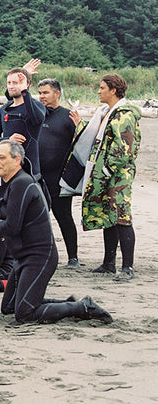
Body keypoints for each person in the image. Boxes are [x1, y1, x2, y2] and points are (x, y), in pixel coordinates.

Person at [0, 140, 112, 324]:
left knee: (24, 315)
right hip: (22, 258)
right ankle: (68, 304)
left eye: (1, 157)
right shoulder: (12, 184)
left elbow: (10, 227)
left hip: (39, 257)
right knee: (9, 308)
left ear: (17, 160)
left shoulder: (22, 183)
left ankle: (82, 307)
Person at [73, 74, 140, 281]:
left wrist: (107, 171)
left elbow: (124, 148)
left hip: (118, 176)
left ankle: (127, 267)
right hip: (106, 173)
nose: (99, 91)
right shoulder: (107, 112)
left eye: (102, 88)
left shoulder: (123, 115)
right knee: (108, 217)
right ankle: (108, 263)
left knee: (121, 217)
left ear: (113, 90)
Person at [37, 78, 80, 268]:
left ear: (57, 93)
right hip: (37, 176)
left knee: (64, 216)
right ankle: (41, 255)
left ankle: (73, 257)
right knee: (38, 218)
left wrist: (79, 127)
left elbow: (81, 145)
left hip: (59, 177)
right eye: (39, 92)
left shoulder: (68, 116)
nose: (41, 96)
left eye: (45, 92)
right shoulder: (37, 114)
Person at [0, 60, 46, 179]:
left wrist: (24, 91)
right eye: (9, 82)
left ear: (27, 84)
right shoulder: (4, 109)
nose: (11, 85)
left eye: (16, 82)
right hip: (6, 170)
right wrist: (8, 140)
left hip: (29, 171)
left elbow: (37, 119)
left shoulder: (37, 106)